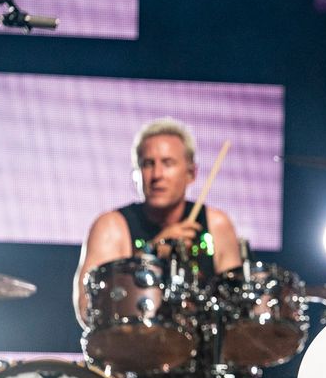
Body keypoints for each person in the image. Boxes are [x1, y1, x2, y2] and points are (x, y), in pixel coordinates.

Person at [73, 117, 242, 328]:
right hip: (133, 353)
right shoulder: (111, 227)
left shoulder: (216, 224)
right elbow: (87, 308)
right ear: (136, 174)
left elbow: (236, 309)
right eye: (147, 164)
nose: (157, 175)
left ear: (191, 173)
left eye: (168, 163)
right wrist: (149, 255)